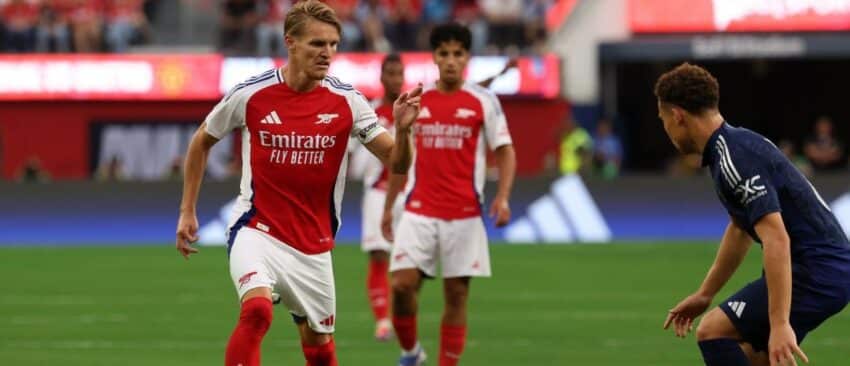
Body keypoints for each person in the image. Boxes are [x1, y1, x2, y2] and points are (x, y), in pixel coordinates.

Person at [174, 2, 422, 366]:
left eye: (333, 44)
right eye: (317, 44)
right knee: (257, 311)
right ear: (290, 42)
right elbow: (202, 140)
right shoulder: (252, 94)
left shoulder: (347, 102)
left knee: (320, 350)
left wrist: (403, 129)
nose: (327, 53)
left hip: (313, 245)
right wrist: (187, 211)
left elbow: (398, 162)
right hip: (256, 228)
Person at [657, 63, 850, 366]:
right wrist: (705, 294)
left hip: (816, 270)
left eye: (664, 119)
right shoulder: (731, 148)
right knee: (755, 358)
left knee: (711, 332)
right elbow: (739, 230)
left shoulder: (734, 157)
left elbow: (777, 238)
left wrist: (779, 323)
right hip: (826, 268)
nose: (665, 129)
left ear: (677, 115)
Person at [382, 22, 516, 366]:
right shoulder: (416, 100)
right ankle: (411, 352)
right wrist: (388, 206)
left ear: (467, 57)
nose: (451, 60)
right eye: (444, 54)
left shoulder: (483, 101)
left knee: (456, 295)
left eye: (458, 53)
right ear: (435, 57)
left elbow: (504, 149)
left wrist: (502, 195)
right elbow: (400, 160)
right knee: (401, 286)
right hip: (418, 210)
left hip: (465, 214)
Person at [350, 53, 406, 342]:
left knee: (406, 262)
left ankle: (401, 317)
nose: (396, 79)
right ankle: (383, 320)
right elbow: (357, 161)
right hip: (377, 193)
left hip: (408, 197)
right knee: (378, 255)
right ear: (382, 77)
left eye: (400, 73)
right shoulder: (370, 113)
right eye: (391, 73)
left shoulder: (413, 111)